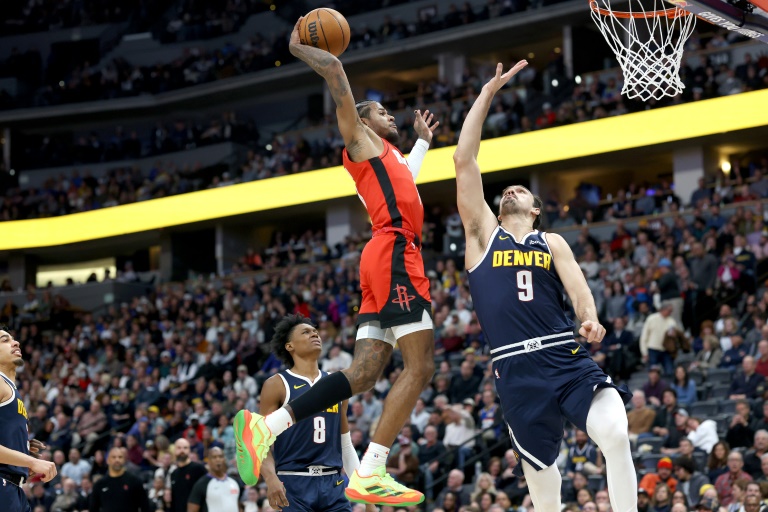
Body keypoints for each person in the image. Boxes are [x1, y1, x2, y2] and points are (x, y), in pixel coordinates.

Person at [234, 16, 440, 508]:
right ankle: (372, 469)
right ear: (364, 123)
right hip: (393, 254)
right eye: (382, 111)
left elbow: (409, 173)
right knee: (422, 364)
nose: (390, 115)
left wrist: (424, 141)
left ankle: (268, 427)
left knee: (365, 374)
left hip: (384, 256)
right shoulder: (361, 143)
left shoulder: (390, 157)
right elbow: (339, 81)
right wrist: (303, 48)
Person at [451, 62, 636, 512]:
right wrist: (488, 93)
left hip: (562, 353)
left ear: (535, 210)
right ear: (498, 209)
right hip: (516, 370)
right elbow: (463, 159)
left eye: (521, 191)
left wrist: (589, 318)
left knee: (613, 431)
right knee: (542, 475)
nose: (512, 190)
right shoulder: (481, 238)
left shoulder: (550, 241)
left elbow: (578, 290)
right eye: (506, 191)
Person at [258, 315, 374, 512]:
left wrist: (368, 500)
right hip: (293, 482)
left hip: (333, 483)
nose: (314, 334)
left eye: (315, 331)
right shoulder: (276, 384)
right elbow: (261, 443)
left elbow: (345, 445)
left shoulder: (337, 384)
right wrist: (271, 478)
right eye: (306, 332)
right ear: (289, 346)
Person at [0, 326, 57, 512]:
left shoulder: (10, 388)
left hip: (13, 489)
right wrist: (30, 461)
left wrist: (20, 447)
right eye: (4, 340)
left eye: (13, 339)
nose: (15, 342)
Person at [90, 447, 150, 512]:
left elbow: (145, 507)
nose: (117, 460)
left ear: (124, 460)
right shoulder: (99, 485)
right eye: (114, 457)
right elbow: (93, 509)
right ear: (107, 460)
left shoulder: (135, 481)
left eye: (120, 457)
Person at [188, 447, 239, 512]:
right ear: (208, 461)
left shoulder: (234, 482)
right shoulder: (201, 484)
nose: (218, 460)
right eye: (214, 457)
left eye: (220, 456)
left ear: (224, 459)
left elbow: (237, 506)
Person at [168, 438, 207, 512]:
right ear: (174, 451)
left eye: (185, 448)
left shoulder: (199, 469)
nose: (182, 451)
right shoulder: (174, 473)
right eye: (179, 448)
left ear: (189, 450)